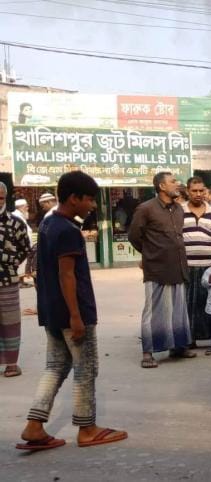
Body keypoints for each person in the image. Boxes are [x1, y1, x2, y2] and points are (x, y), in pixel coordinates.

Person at [17, 171, 128, 452]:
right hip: (72, 311)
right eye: (88, 199)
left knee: (55, 367)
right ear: (73, 198)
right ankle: (87, 428)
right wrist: (77, 318)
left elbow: (46, 271)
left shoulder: (48, 224)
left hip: (52, 311)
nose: (92, 204)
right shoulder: (67, 230)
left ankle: (34, 425)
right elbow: (67, 276)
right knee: (86, 368)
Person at [129, 171, 195, 368]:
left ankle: (178, 347)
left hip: (178, 266)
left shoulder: (178, 209)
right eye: (173, 181)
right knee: (153, 310)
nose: (177, 184)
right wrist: (150, 253)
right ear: (162, 186)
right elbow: (134, 236)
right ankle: (148, 353)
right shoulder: (146, 209)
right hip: (156, 268)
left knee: (178, 309)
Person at [182, 176, 211, 345]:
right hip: (187, 266)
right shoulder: (179, 210)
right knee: (187, 305)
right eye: (194, 191)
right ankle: (189, 340)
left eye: (201, 191)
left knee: (207, 303)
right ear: (187, 191)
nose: (198, 194)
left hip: (207, 266)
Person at [0, 182, 29, 378]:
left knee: (10, 322)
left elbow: (26, 248)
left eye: (0, 198)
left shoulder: (14, 223)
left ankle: (11, 364)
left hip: (7, 280)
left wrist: (10, 263)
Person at [12, 199, 34, 283]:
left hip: (24, 245)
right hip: (19, 246)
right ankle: (19, 282)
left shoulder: (21, 215)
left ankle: (21, 281)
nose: (27, 208)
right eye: (26, 207)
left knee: (23, 264)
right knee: (20, 264)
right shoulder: (16, 216)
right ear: (21, 207)